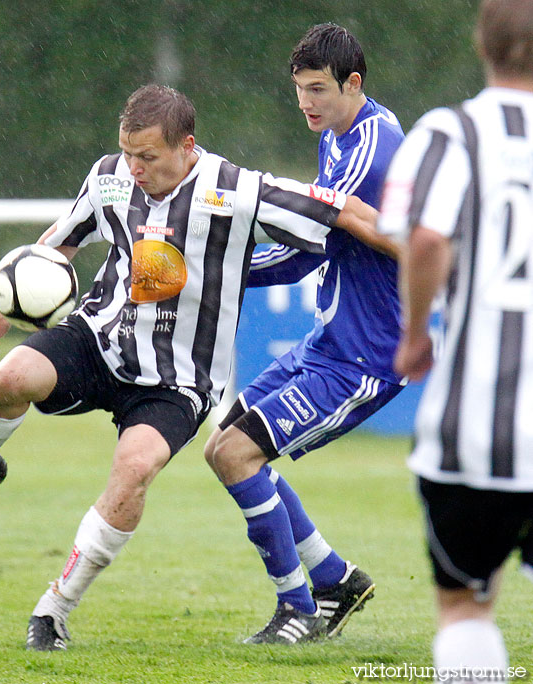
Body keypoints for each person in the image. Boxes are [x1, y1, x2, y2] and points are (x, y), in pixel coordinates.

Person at [0, 83, 384, 651]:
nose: (133, 169)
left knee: (134, 471)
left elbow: (345, 211)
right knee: (8, 379)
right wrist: (1, 305)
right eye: (128, 153)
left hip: (179, 378)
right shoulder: (109, 175)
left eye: (148, 157)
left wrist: (435, 256)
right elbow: (60, 243)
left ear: (187, 146)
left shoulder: (238, 190)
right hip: (99, 339)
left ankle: (53, 611)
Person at [204, 23, 405, 644]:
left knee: (238, 454)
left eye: (318, 89)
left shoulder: (373, 147)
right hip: (329, 342)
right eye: (299, 91)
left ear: (354, 83)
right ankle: (336, 579)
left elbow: (303, 247)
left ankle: (299, 609)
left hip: (364, 357)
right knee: (224, 446)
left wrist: (215, 272)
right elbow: (316, 246)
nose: (306, 104)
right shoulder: (341, 135)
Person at [380, 0, 533, 676]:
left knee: (466, 605)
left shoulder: (451, 132)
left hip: (480, 427)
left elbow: (428, 235)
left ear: (482, 42)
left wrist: (415, 335)